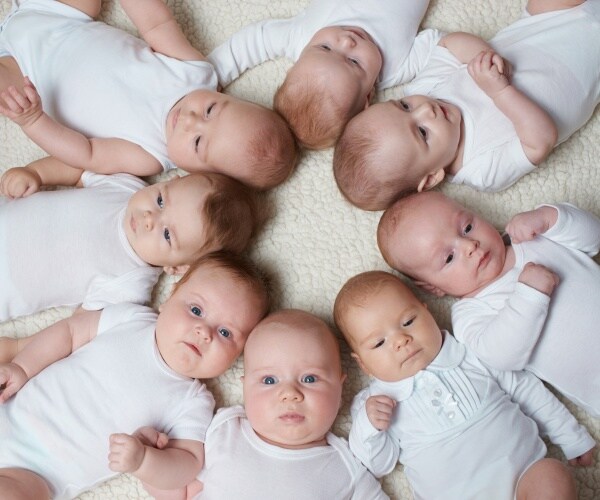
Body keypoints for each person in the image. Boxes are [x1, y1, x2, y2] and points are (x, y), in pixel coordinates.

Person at [0, 252, 271, 499]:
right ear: (169, 299)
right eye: (196, 311)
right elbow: (69, 333)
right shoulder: (132, 319)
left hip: (38, 472)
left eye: (225, 333)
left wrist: (144, 461)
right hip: (8, 410)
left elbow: (187, 464)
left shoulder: (193, 400)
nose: (204, 332)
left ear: (238, 356)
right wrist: (23, 367)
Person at [333, 270, 595, 500]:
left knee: (552, 475)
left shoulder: (473, 351)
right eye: (379, 343)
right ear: (364, 365)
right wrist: (369, 428)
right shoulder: (374, 404)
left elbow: (527, 390)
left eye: (408, 322)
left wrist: (571, 436)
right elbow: (378, 465)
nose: (400, 340)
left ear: (428, 312)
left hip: (524, 477)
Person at [0, 0, 297, 189]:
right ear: (227, 96)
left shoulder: (150, 155)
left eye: (197, 141)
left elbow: (86, 153)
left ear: (193, 172)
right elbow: (156, 24)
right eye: (211, 110)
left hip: (25, 75)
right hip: (60, 15)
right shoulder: (195, 73)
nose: (191, 120)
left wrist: (33, 120)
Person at [333, 0, 600, 210]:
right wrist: (500, 90)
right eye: (423, 132)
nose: (426, 110)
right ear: (432, 177)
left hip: (544, 22)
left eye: (403, 106)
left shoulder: (424, 90)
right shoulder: (481, 170)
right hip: (588, 69)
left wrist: (484, 56)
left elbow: (450, 44)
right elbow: (540, 140)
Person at [377, 190, 600, 418]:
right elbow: (502, 356)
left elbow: (594, 238)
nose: (469, 245)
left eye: (467, 228)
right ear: (433, 288)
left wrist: (549, 218)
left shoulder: (533, 237)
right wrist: (530, 295)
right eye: (449, 258)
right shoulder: (469, 314)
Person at [137, 309, 389, 500]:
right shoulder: (224, 431)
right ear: (245, 386)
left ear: (340, 387)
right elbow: (178, 491)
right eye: (269, 380)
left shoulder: (345, 465)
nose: (289, 394)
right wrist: (145, 461)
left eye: (310, 379)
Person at [0, 156, 262, 323]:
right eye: (160, 200)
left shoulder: (131, 284)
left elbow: (79, 326)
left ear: (179, 267)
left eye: (167, 234)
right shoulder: (126, 187)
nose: (150, 218)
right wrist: (36, 174)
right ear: (173, 180)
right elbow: (77, 168)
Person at [207, 0, 430, 149]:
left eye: (325, 48)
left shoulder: (300, 38)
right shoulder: (396, 66)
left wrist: (212, 75)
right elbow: (443, 50)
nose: (346, 41)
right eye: (354, 61)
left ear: (295, 65)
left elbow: (252, 42)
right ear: (368, 98)